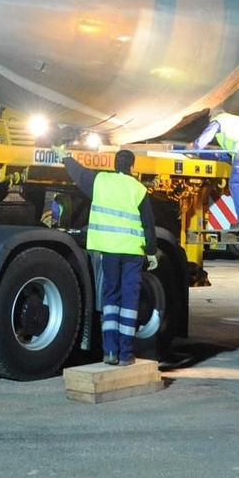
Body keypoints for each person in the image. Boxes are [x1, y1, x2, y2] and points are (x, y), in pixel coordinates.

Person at [64, 147, 155, 366]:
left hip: (109, 251)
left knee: (110, 298)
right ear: (132, 167)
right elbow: (149, 225)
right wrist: (151, 252)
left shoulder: (100, 181)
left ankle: (110, 352)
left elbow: (79, 173)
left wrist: (65, 158)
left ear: (114, 165)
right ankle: (126, 354)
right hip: (133, 252)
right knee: (130, 301)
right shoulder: (138, 189)